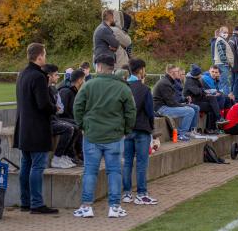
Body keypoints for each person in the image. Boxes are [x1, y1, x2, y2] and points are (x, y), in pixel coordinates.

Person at [73, 54, 136, 218]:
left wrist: (82, 126)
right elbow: (131, 112)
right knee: (114, 171)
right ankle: (114, 207)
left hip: (92, 135)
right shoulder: (123, 87)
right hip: (115, 136)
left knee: (90, 171)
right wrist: (125, 130)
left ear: (98, 66)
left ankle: (87, 206)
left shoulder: (88, 85)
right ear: (112, 68)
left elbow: (77, 107)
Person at [13, 43, 58, 214]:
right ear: (39, 56)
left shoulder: (22, 74)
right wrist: (55, 108)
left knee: (26, 164)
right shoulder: (39, 77)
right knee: (37, 166)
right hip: (37, 129)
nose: (45, 58)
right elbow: (43, 104)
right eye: (44, 55)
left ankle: (25, 202)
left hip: (24, 127)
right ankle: (37, 204)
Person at [122, 58, 158, 206]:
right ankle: (142, 194)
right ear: (141, 70)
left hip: (126, 129)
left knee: (127, 163)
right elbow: (150, 111)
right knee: (142, 163)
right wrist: (151, 127)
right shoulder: (144, 89)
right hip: (142, 129)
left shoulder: (123, 86)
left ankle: (127, 194)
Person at [42, 64, 78, 169]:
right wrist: (55, 108)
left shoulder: (53, 89)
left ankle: (65, 155)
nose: (58, 77)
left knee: (76, 126)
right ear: (49, 76)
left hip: (54, 118)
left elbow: (59, 107)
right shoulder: (44, 89)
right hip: (47, 122)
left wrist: (55, 108)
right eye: (56, 75)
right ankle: (57, 158)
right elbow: (52, 108)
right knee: (69, 128)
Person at [153, 65, 199, 142]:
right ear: (172, 73)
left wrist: (183, 104)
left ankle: (184, 132)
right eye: (177, 72)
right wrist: (184, 106)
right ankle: (181, 134)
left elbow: (172, 101)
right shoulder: (165, 83)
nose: (179, 73)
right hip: (161, 108)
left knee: (189, 109)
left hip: (164, 106)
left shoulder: (168, 81)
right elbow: (171, 103)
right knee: (189, 111)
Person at [184, 64, 224, 134]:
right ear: (196, 74)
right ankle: (210, 128)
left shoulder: (197, 79)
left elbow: (202, 89)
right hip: (192, 102)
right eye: (200, 74)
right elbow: (196, 92)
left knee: (213, 99)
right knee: (212, 106)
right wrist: (204, 91)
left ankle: (219, 118)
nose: (201, 75)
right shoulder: (189, 81)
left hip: (199, 99)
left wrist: (208, 93)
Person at [59, 69, 86, 163]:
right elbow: (62, 112)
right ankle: (74, 154)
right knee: (77, 125)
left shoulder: (75, 91)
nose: (85, 82)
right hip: (61, 119)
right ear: (79, 80)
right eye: (84, 79)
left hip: (69, 118)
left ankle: (80, 153)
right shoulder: (66, 91)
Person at [213, 26, 234, 97]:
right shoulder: (220, 41)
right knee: (224, 83)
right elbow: (222, 54)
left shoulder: (222, 40)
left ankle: (224, 97)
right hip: (222, 64)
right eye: (224, 32)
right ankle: (225, 98)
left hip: (221, 64)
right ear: (220, 33)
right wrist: (227, 63)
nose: (226, 34)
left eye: (227, 32)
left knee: (223, 82)